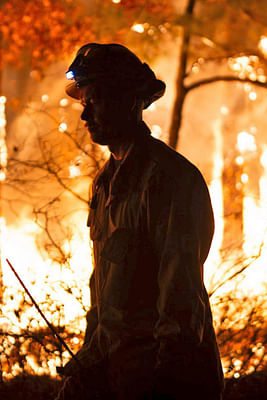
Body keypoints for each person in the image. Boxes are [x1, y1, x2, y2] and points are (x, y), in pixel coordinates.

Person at [56, 43, 223, 400]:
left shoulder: (167, 180)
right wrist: (90, 360)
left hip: (165, 380)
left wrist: (166, 382)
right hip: (118, 375)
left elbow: (179, 297)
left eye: (95, 101)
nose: (85, 116)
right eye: (84, 103)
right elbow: (103, 293)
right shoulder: (105, 184)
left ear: (130, 100)